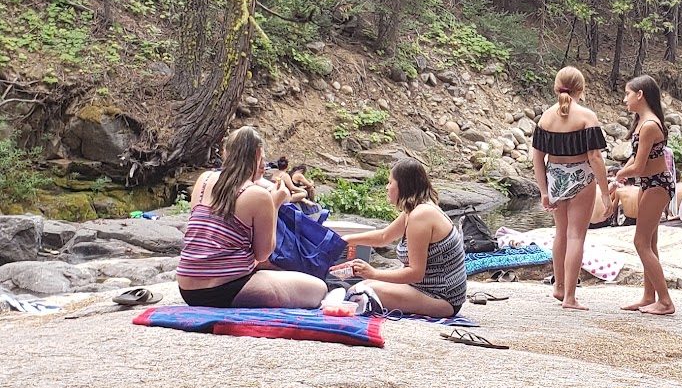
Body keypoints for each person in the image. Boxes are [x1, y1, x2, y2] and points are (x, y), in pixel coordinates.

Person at [176, 126, 330, 309]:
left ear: (226, 153)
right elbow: (263, 254)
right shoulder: (258, 195)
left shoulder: (204, 179)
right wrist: (274, 204)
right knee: (319, 288)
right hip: (228, 288)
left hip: (187, 288)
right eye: (262, 158)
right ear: (258, 155)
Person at [332, 159, 468, 318]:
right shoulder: (415, 209)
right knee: (360, 287)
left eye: (390, 182)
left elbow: (416, 273)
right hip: (425, 289)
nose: (387, 187)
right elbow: (384, 237)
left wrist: (373, 273)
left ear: (403, 185)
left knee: (357, 293)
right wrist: (347, 239)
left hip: (441, 299)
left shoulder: (421, 215)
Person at [529, 66, 610, 310]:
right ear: (581, 90)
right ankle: (570, 298)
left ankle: (559, 286)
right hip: (581, 176)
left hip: (555, 176)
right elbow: (595, 157)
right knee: (576, 235)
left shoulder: (545, 117)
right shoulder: (587, 117)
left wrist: (544, 191)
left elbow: (537, 158)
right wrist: (605, 193)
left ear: (556, 87)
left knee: (561, 233)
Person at [610, 74, 675, 315]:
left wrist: (618, 175)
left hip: (657, 185)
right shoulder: (642, 122)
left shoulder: (649, 125)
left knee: (640, 242)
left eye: (627, 93)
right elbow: (635, 160)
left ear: (640, 95)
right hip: (649, 184)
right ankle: (649, 296)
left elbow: (638, 166)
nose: (625, 98)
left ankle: (666, 301)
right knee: (649, 242)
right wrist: (623, 173)